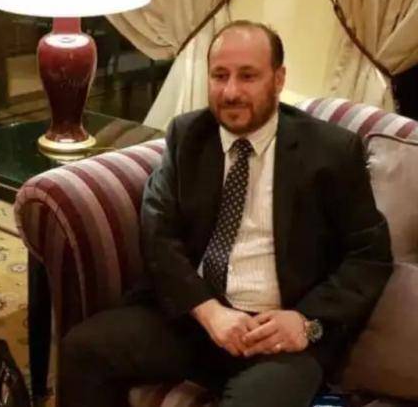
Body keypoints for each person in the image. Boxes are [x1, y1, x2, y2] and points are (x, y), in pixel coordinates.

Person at [59, 20, 393, 407]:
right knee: (83, 349)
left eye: (248, 76)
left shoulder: (331, 151)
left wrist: (305, 322)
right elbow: (158, 233)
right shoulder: (187, 135)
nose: (231, 92)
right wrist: (209, 312)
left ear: (278, 79)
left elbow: (369, 256)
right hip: (198, 318)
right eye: (220, 76)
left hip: (277, 337)